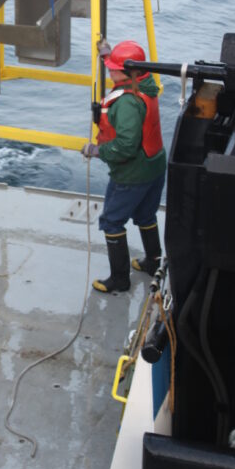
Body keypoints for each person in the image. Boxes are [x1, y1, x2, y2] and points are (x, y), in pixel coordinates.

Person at [82, 39, 166, 293]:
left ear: (129, 72)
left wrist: (98, 151)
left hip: (132, 173)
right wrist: (108, 53)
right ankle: (153, 262)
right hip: (155, 166)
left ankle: (119, 279)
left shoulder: (127, 103)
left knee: (111, 222)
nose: (109, 71)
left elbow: (127, 145)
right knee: (145, 215)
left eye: (113, 67)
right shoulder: (147, 86)